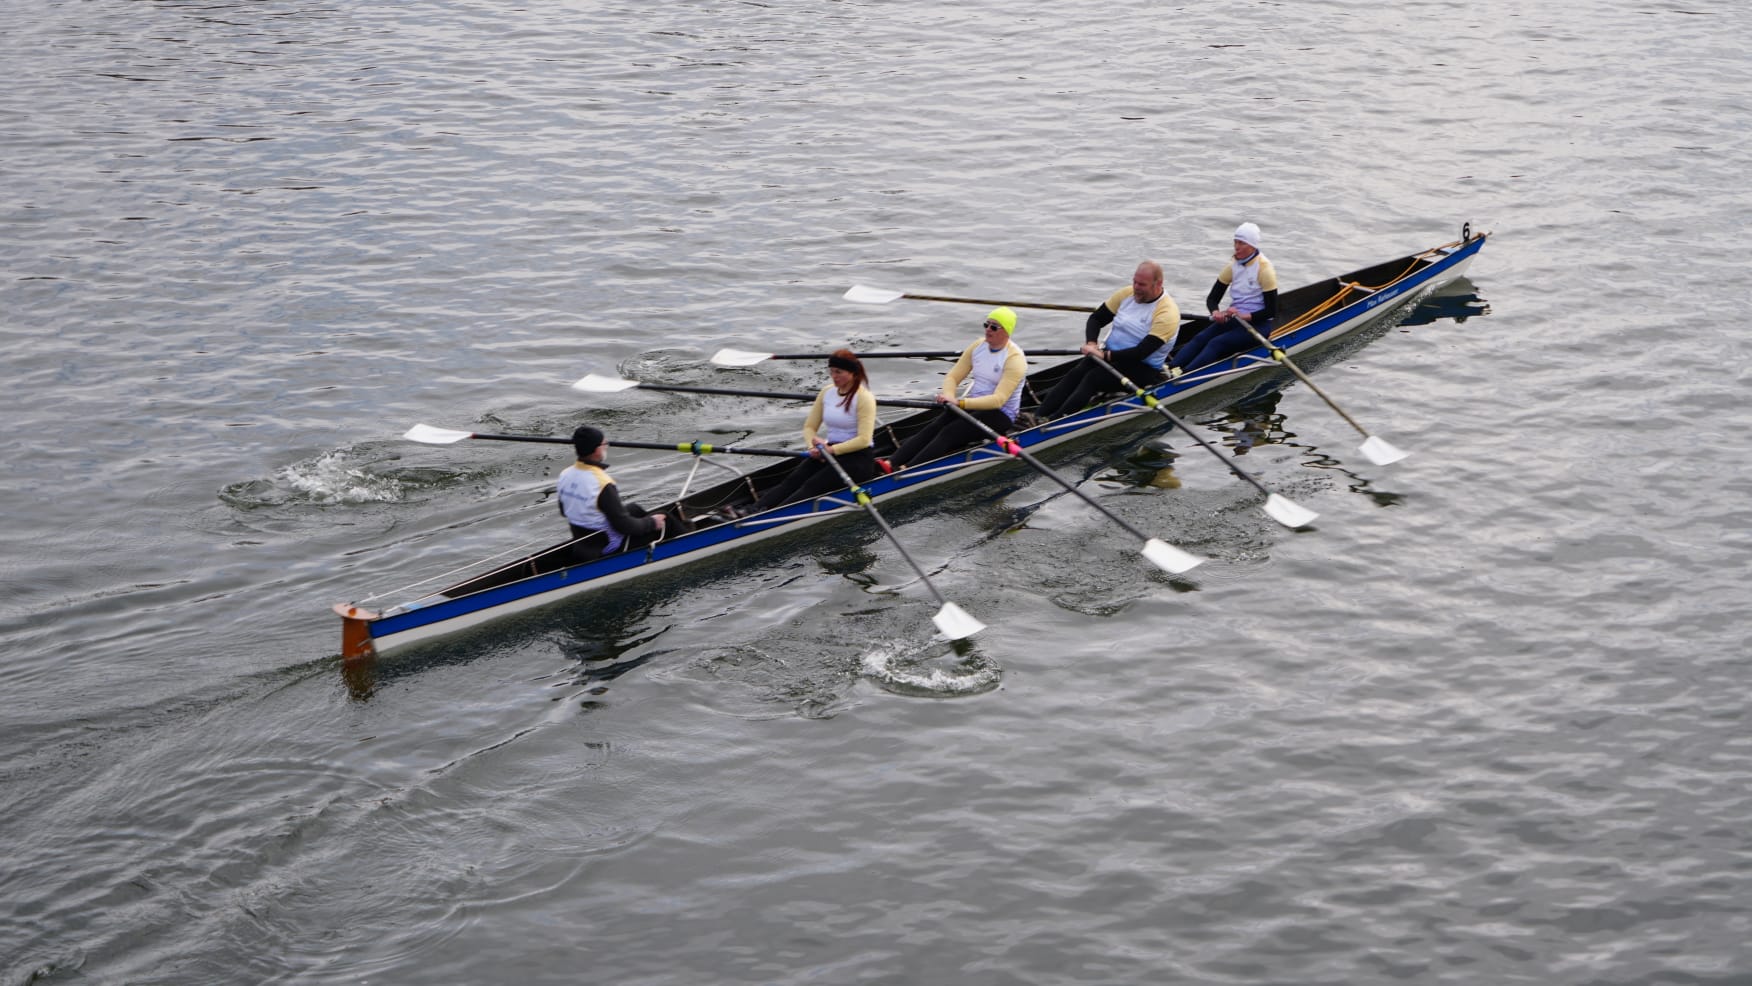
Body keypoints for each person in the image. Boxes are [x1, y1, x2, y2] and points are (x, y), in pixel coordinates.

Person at [882, 307, 1027, 470]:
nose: (988, 329)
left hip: (1001, 414)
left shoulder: (1014, 359)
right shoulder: (978, 346)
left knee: (950, 432)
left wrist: (960, 403)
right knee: (936, 426)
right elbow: (952, 377)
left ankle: (907, 470)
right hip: (974, 404)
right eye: (986, 325)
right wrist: (949, 396)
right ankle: (890, 463)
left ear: (1006, 331)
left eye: (994, 327)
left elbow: (997, 401)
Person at [1034, 259, 1181, 419]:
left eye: (1142, 285)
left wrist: (1105, 356)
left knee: (1094, 378)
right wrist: (1092, 344)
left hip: (1143, 368)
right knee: (1077, 372)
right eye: (1135, 282)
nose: (1136, 288)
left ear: (1158, 284)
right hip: (1113, 356)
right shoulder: (1126, 294)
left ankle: (1054, 421)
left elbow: (1141, 352)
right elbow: (1096, 318)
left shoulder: (1167, 312)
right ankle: (1037, 416)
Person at [740, 349, 879, 513]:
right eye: (832, 372)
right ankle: (753, 511)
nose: (834, 376)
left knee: (811, 486)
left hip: (858, 459)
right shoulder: (827, 392)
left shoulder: (864, 397)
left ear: (853, 373)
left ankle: (771, 518)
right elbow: (809, 427)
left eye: (839, 372)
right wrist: (812, 447)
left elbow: (864, 439)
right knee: (792, 480)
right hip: (828, 453)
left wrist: (831, 450)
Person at [1167, 221, 1279, 376]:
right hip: (1235, 320)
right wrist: (1216, 312)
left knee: (1216, 343)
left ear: (1252, 246)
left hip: (1258, 325)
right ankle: (1169, 369)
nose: (1236, 247)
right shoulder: (1232, 265)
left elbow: (1272, 311)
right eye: (1235, 242)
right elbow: (1212, 299)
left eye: (1241, 243)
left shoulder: (1265, 269)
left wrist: (1244, 316)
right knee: (1200, 338)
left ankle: (1183, 376)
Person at [557, 425, 666, 558]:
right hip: (606, 548)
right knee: (667, 518)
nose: (606, 446)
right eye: (604, 443)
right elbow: (624, 526)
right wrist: (652, 523)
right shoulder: (602, 482)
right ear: (596, 450)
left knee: (634, 509)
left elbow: (564, 511)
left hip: (582, 544)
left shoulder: (565, 474)